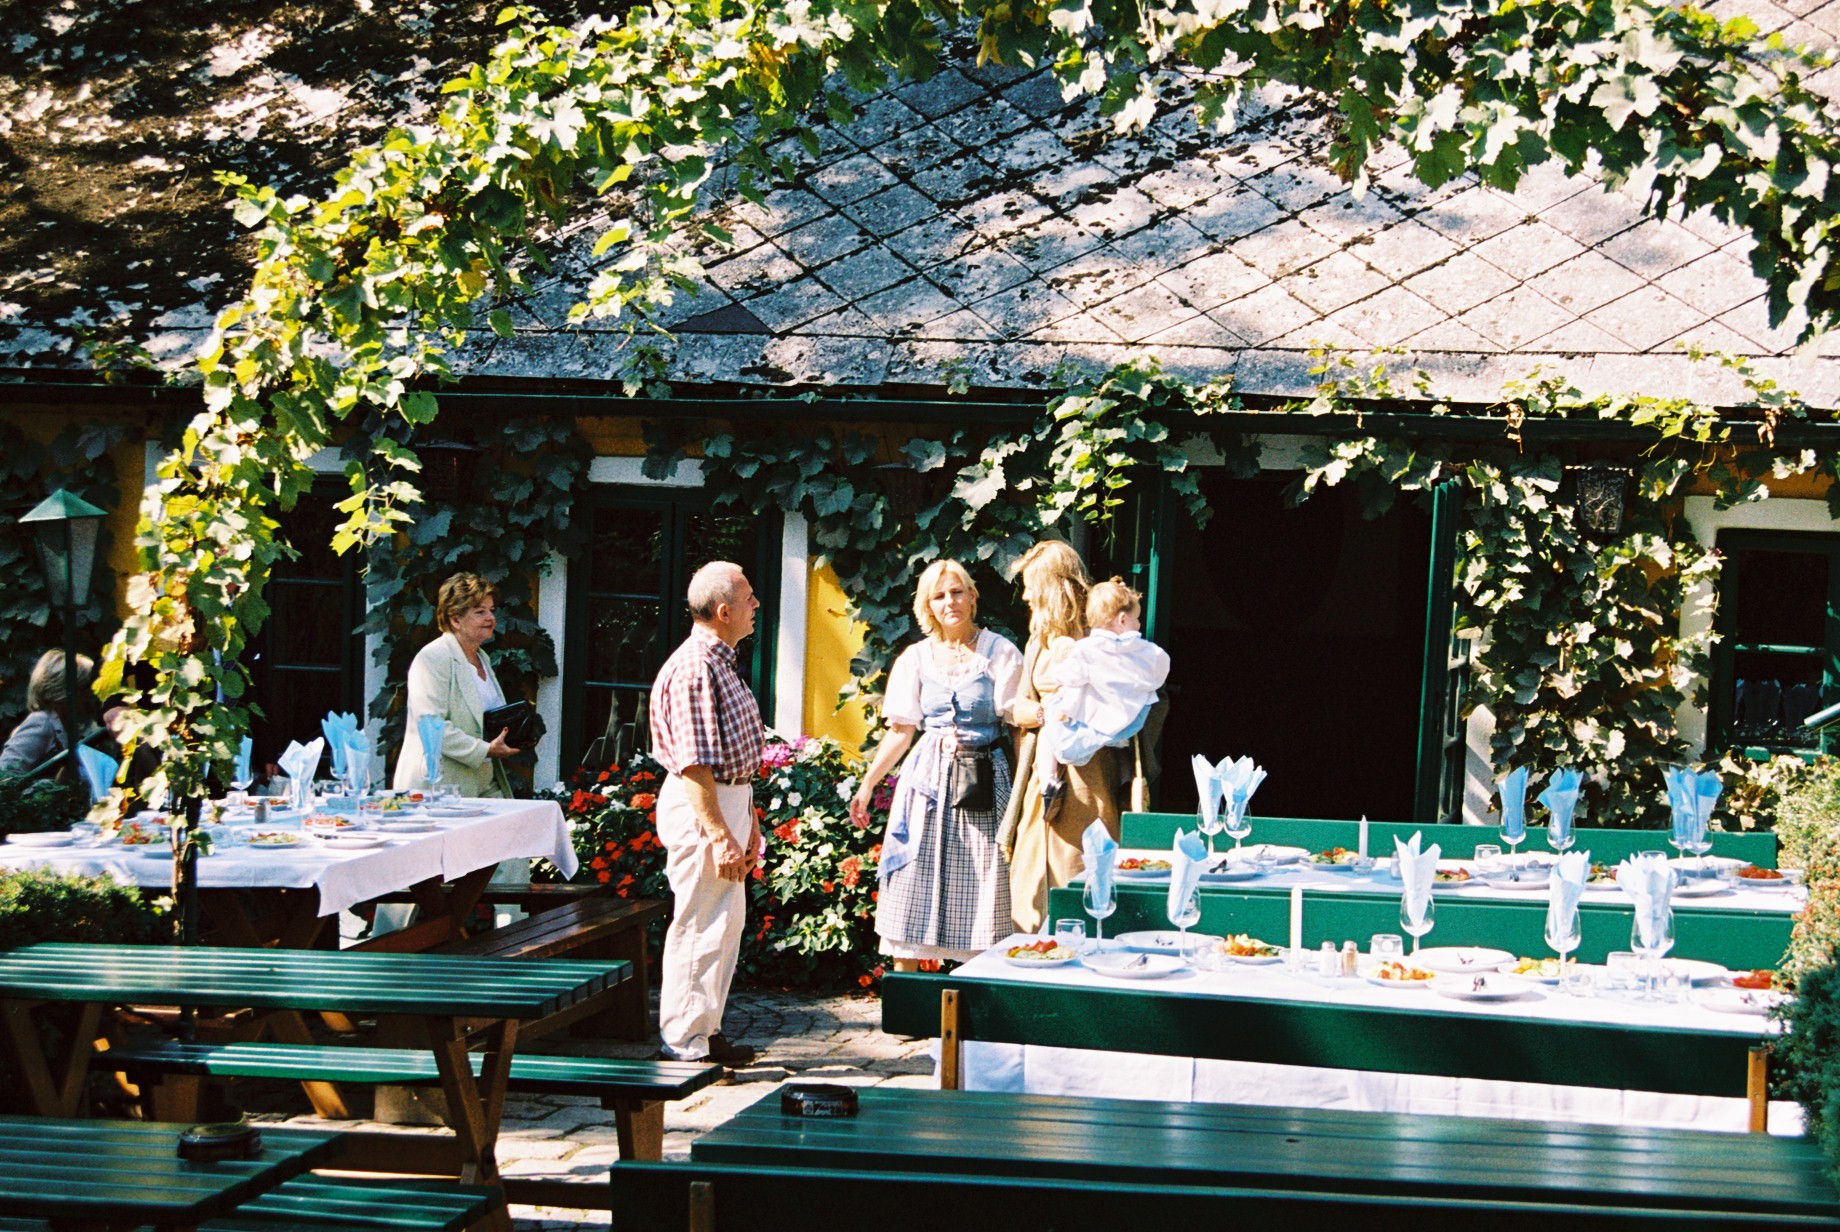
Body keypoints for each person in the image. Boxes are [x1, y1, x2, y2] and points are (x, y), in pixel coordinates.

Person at [849, 560, 1023, 968]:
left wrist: (1024, 789)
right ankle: (909, 1002)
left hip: (984, 778)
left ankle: (975, 1003)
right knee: (911, 877)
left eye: (958, 591)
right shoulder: (916, 658)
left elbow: (1018, 726)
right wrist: (868, 783)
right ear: (927, 605)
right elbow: (901, 730)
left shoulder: (1000, 652)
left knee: (983, 882)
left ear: (973, 596)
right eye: (940, 595)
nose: (951, 602)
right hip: (926, 782)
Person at [650, 561, 766, 1067]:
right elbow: (695, 764)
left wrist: (750, 821)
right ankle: (685, 1042)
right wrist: (721, 834)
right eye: (748, 598)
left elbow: (732, 759)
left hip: (727, 800)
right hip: (705, 805)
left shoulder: (721, 661)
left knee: (723, 923)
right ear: (724, 611)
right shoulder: (697, 666)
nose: (756, 605)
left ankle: (707, 1030)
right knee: (700, 922)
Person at [1003, 540, 1119, 935]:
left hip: (1088, 772)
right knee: (1029, 882)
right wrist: (1043, 714)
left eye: (1029, 584)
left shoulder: (1097, 633)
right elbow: (1017, 706)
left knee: (1079, 871)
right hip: (1042, 776)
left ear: (1051, 585)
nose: (1025, 594)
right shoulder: (1037, 640)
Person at [1036, 578, 1170, 792]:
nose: (1139, 624)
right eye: (1137, 619)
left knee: (1051, 712)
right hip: (1129, 723)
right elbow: (1160, 671)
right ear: (1123, 619)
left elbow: (1065, 676)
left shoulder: (1086, 650)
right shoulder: (1146, 652)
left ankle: (1047, 781)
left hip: (1092, 722)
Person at [394, 573, 519, 798]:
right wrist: (486, 750)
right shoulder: (433, 658)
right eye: (480, 611)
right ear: (455, 619)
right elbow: (431, 724)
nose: (490, 617)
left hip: (484, 783)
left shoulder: (482, 658)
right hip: (439, 788)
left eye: (491, 610)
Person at [0, 650, 96, 778]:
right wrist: (51, 788)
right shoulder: (41, 722)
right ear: (61, 690)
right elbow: (6, 777)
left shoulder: (66, 725)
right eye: (85, 686)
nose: (91, 693)